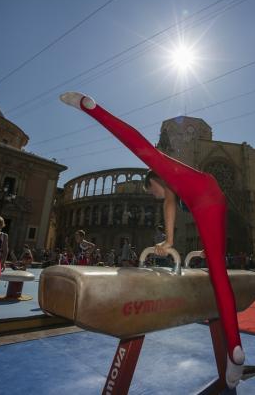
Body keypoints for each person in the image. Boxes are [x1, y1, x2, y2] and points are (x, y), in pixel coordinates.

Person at [60, 91, 245, 388]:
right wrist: (172, 241)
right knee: (218, 273)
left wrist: (170, 240)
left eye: (151, 191)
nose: (152, 195)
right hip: (212, 200)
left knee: (140, 147)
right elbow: (171, 205)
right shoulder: (173, 185)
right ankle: (234, 349)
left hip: (202, 200)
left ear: (154, 182)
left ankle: (92, 108)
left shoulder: (163, 173)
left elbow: (166, 199)